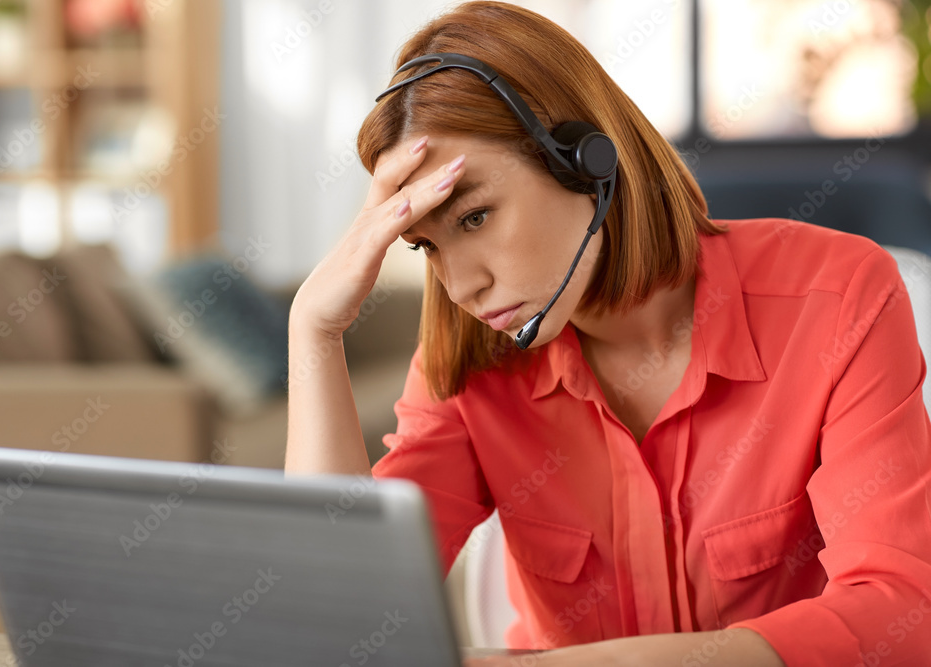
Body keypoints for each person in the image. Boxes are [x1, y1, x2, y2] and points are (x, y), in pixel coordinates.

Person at [285, 2, 931, 665]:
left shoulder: (837, 296)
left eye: (475, 217)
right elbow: (333, 625)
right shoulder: (471, 365)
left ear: (588, 163)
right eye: (427, 245)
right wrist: (315, 330)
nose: (460, 286)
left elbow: (902, 613)